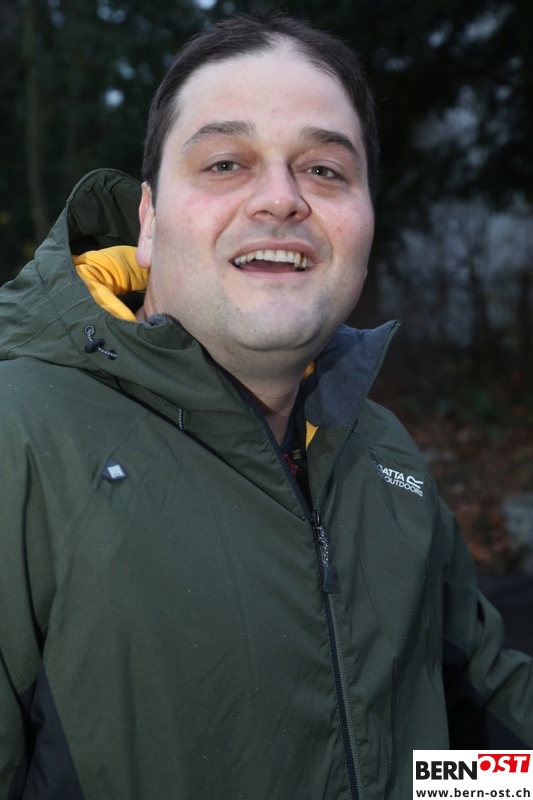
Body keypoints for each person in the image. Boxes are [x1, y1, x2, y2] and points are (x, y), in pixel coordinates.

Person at [0, 10, 532, 800]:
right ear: (148, 221)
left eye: (324, 170)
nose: (281, 199)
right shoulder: (20, 439)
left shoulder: (380, 452)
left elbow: (457, 753)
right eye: (224, 163)